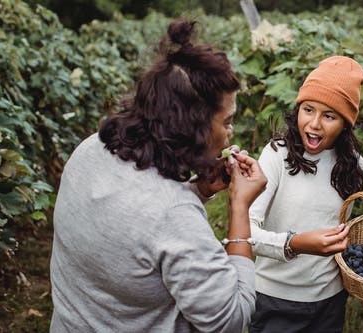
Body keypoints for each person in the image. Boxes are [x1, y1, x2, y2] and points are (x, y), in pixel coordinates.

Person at [49, 18, 267, 333]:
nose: (231, 133)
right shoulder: (174, 215)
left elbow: (134, 222)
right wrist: (239, 210)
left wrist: (198, 190)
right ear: (197, 126)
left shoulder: (91, 149)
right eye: (228, 121)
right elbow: (229, 319)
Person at [247, 56, 363, 333]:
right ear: (298, 108)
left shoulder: (355, 165)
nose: (314, 124)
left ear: (345, 124)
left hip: (330, 301)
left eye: (329, 116)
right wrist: (296, 243)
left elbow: (339, 234)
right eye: (308, 109)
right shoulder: (276, 155)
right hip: (274, 299)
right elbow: (247, 233)